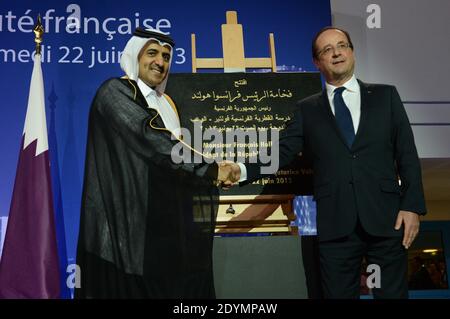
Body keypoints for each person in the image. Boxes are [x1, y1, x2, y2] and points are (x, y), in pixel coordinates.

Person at [223, 27, 427, 298]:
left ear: (352, 52)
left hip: (387, 222)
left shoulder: (386, 96)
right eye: (327, 50)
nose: (336, 53)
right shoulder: (307, 109)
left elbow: (407, 154)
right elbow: (282, 151)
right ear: (317, 62)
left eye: (342, 45)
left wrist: (412, 205)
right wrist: (241, 169)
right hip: (336, 226)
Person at [75, 28, 234, 298]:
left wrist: (210, 174)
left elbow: (176, 158)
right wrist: (210, 170)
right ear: (135, 56)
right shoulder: (114, 92)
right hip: (124, 241)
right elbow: (154, 142)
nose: (160, 61)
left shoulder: (167, 105)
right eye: (152, 53)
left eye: (166, 56)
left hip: (163, 240)